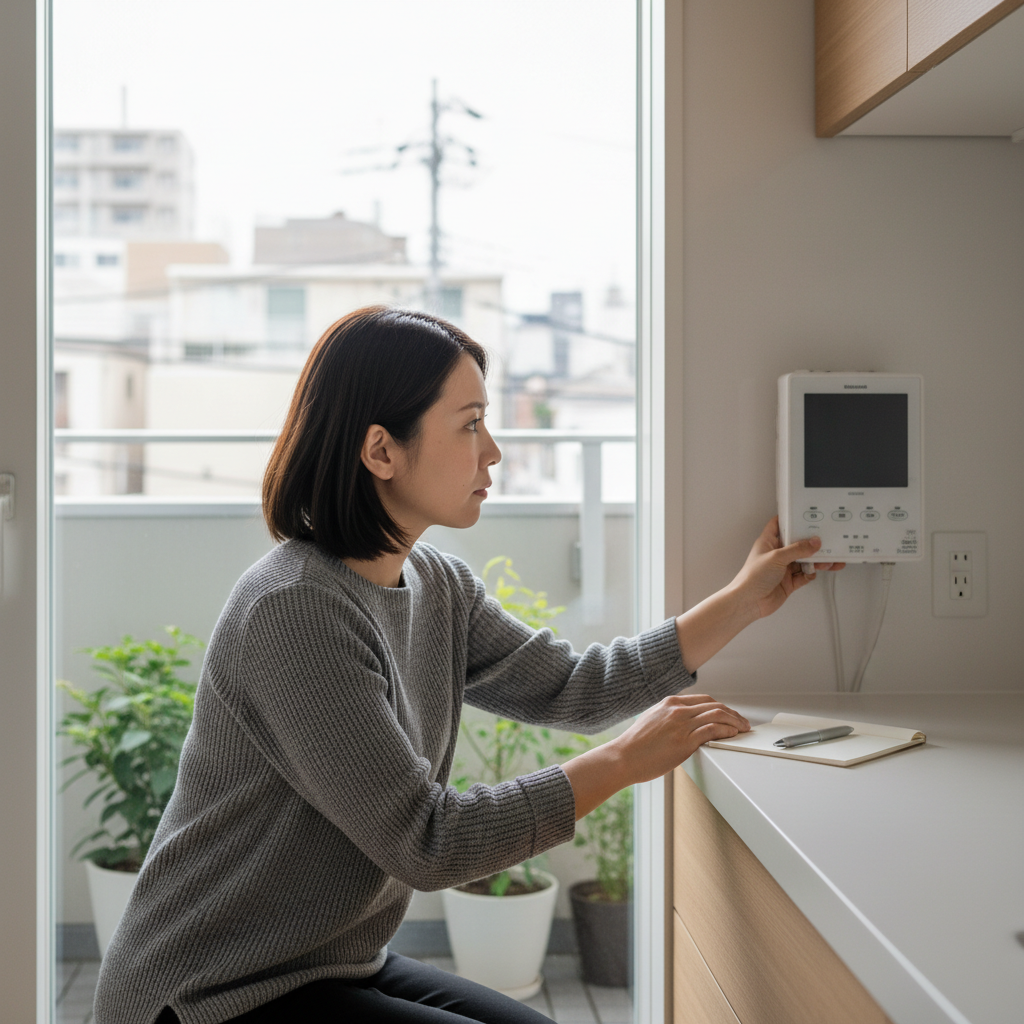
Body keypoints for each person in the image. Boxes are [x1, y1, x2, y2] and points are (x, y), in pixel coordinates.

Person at [93, 306, 840, 1024]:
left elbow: (570, 688)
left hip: (324, 965)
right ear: (381, 450)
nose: (494, 452)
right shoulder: (294, 610)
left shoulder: (436, 585)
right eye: (471, 424)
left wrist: (743, 600)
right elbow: (429, 840)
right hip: (208, 994)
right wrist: (623, 761)